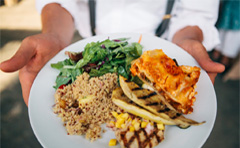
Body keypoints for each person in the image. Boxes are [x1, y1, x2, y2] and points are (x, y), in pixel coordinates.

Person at [0, 0, 225, 105]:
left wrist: (187, 41)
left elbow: (195, 11)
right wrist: (55, 35)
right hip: (94, 45)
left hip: (162, 49)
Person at [213, 0, 240, 72]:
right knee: (223, 31)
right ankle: (217, 57)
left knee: (233, 36)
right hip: (229, 6)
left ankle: (223, 62)